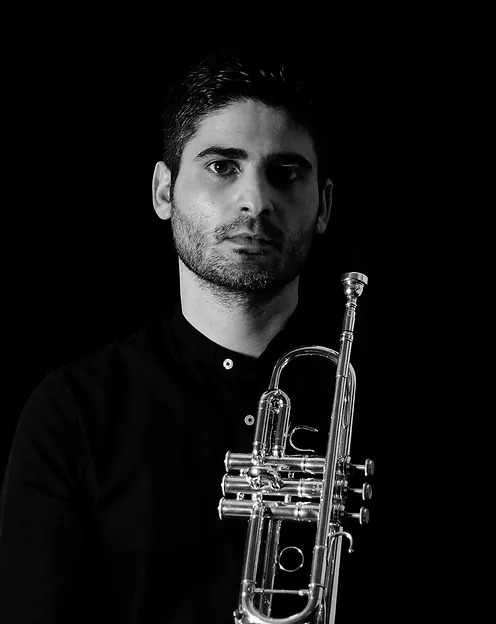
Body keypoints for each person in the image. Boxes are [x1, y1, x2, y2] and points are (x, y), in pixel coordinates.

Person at [0, 47, 366, 623]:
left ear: (323, 206)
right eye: (222, 167)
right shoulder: (73, 413)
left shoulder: (393, 394)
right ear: (163, 191)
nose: (255, 201)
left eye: (286, 173)